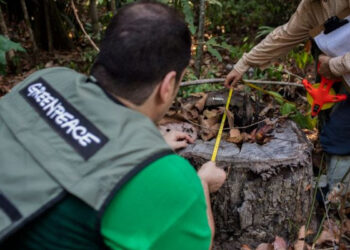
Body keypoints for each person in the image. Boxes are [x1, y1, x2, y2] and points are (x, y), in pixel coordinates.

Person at [0, 1, 226, 249]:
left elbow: (54, 142)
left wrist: (141, 151)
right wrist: (201, 184)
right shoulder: (175, 183)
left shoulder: (45, 80)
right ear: (168, 85)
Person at [225, 0, 350, 195]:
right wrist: (244, 63)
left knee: (339, 134)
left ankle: (338, 199)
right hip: (342, 77)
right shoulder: (311, 7)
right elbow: (284, 36)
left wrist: (334, 65)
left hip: (341, 69)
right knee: (331, 128)